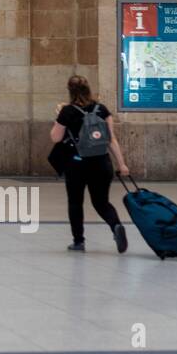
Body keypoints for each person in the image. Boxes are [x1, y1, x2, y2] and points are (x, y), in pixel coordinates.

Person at [50, 75, 130, 253]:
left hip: (77, 164)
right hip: (102, 163)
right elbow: (111, 139)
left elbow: (55, 137)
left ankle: (79, 241)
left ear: (70, 91)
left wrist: (58, 118)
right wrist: (122, 164)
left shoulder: (67, 111)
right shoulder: (102, 110)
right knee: (101, 202)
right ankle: (116, 225)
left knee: (75, 202)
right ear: (88, 89)